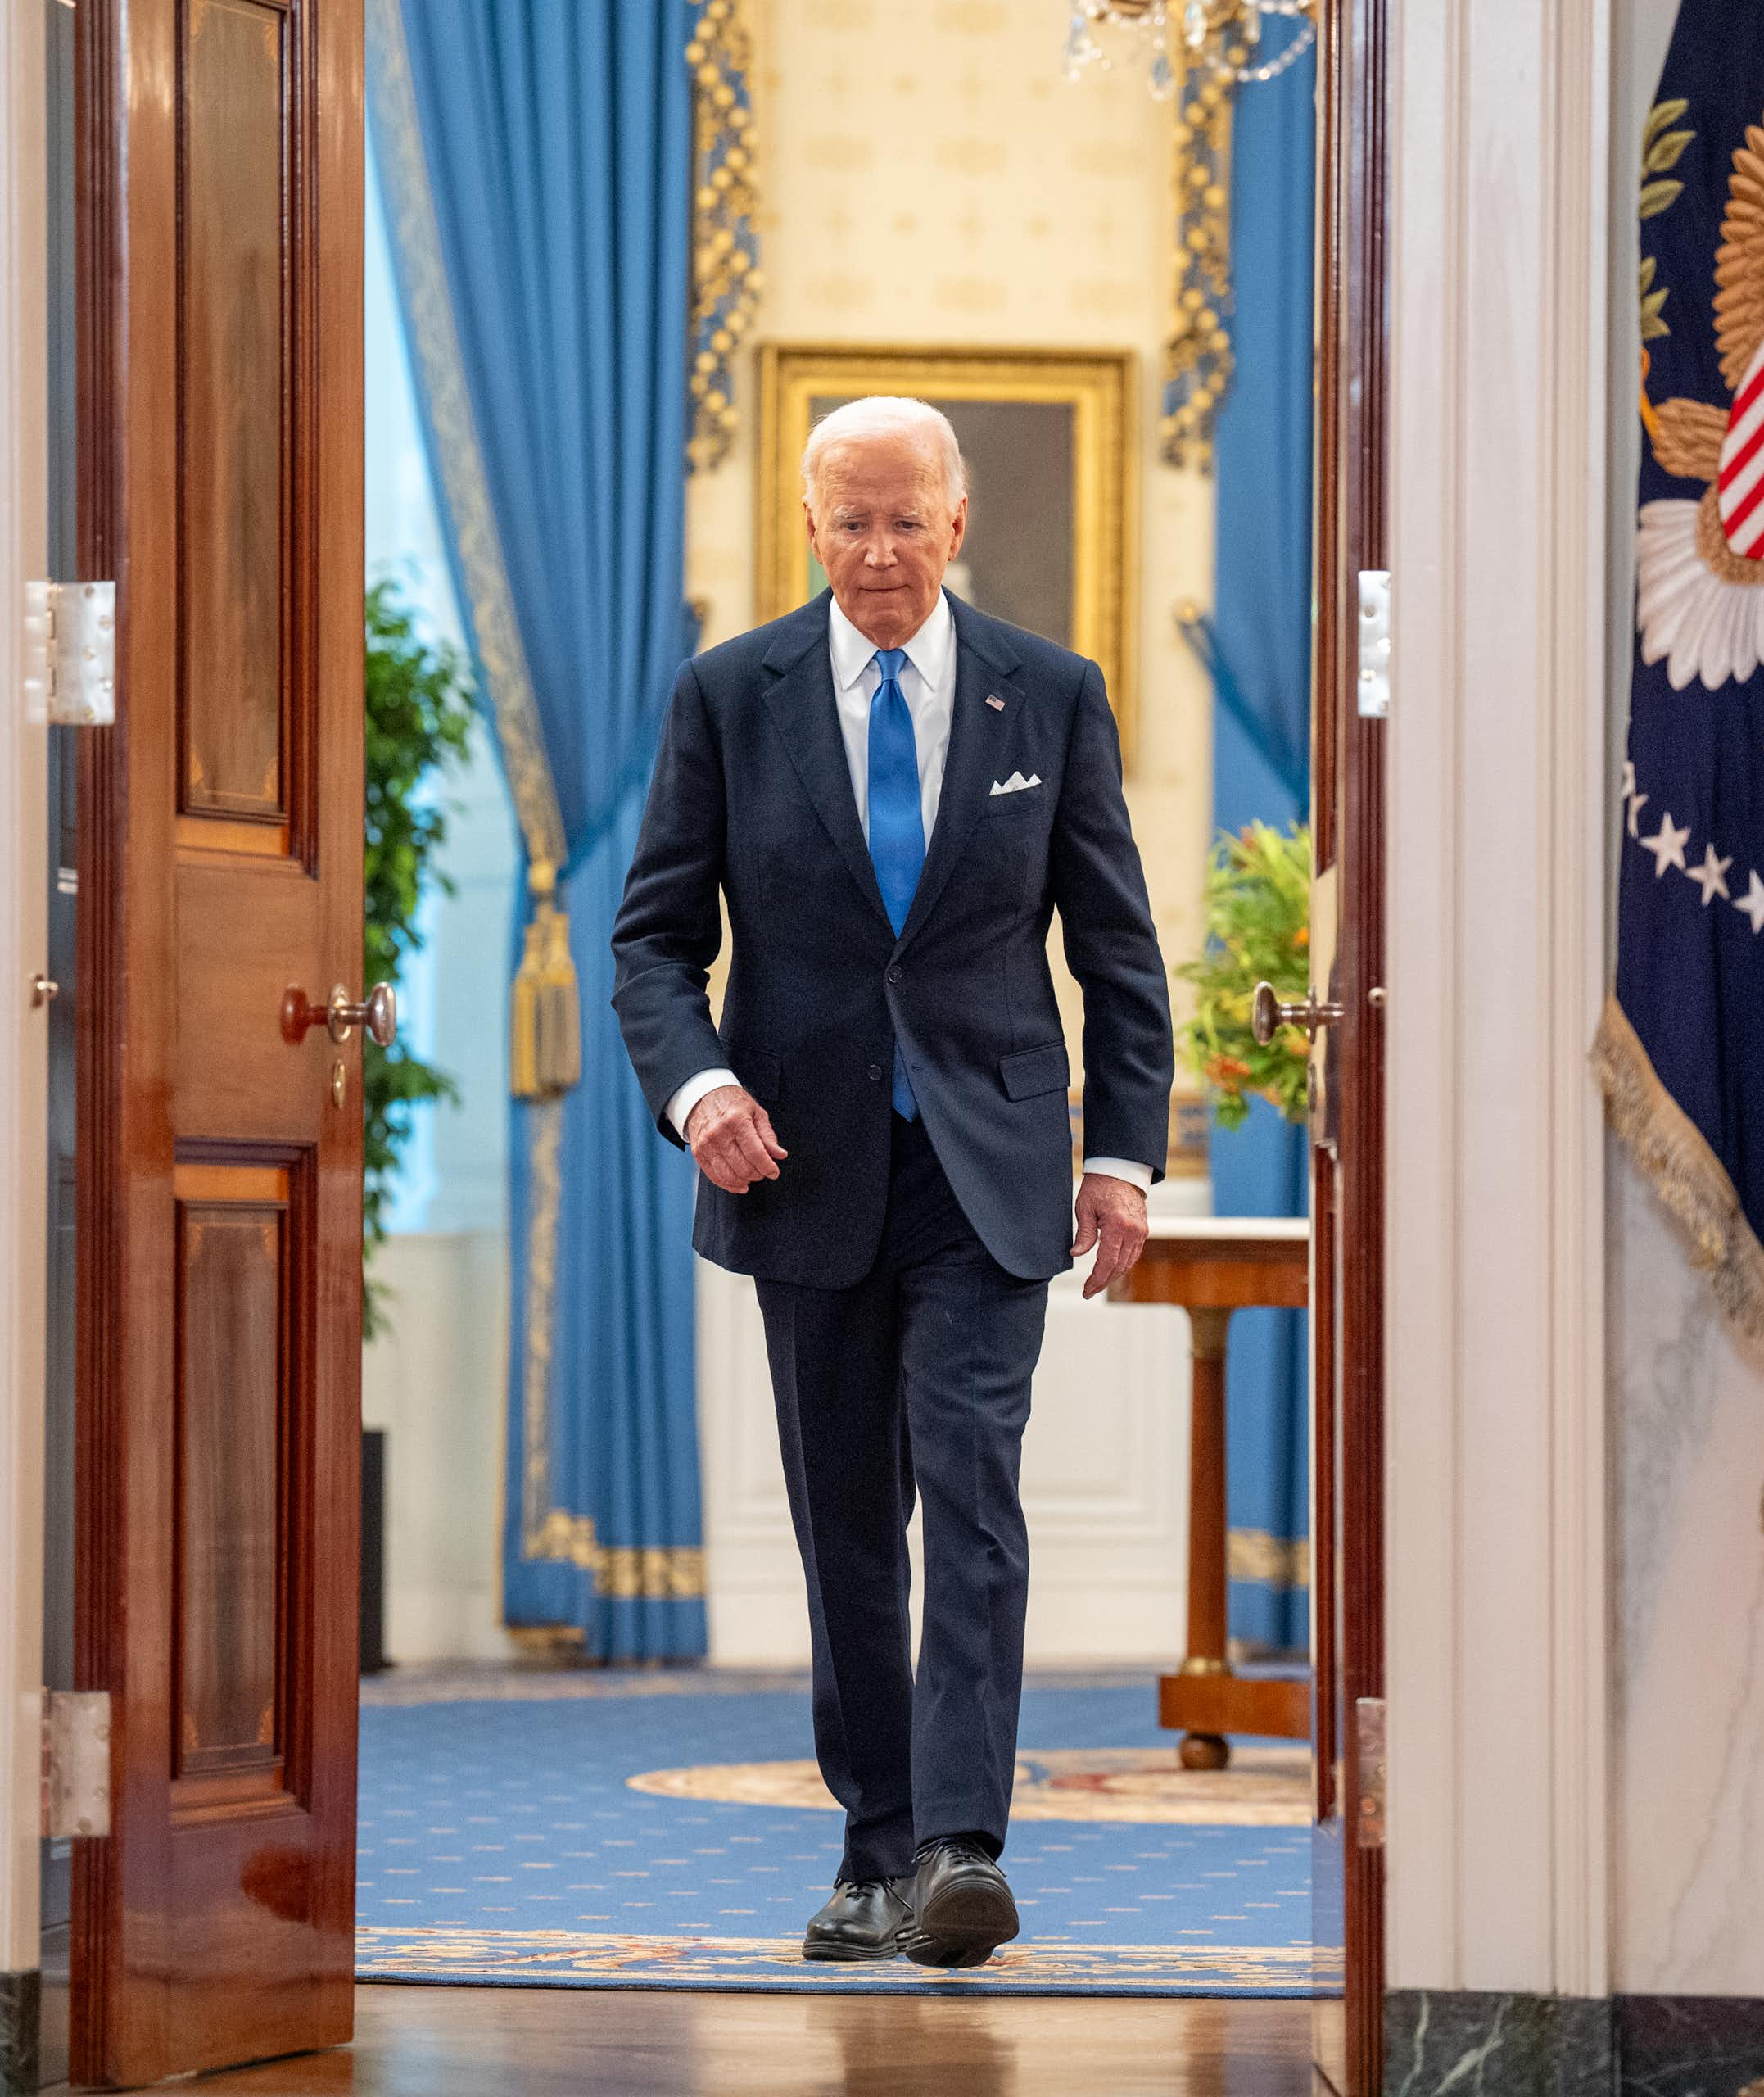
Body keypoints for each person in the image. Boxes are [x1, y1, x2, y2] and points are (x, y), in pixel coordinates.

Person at [613, 396, 1172, 1967]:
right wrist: (702, 1085)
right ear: (808, 527)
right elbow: (655, 941)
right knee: (848, 1519)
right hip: (807, 1164)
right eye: (849, 519)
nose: (877, 549)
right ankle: (869, 1855)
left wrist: (1122, 1154)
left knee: (973, 1494)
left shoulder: (1049, 697)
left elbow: (1117, 952)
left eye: (904, 519)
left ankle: (957, 1849)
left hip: (991, 1170)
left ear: (956, 522)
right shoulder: (732, 695)